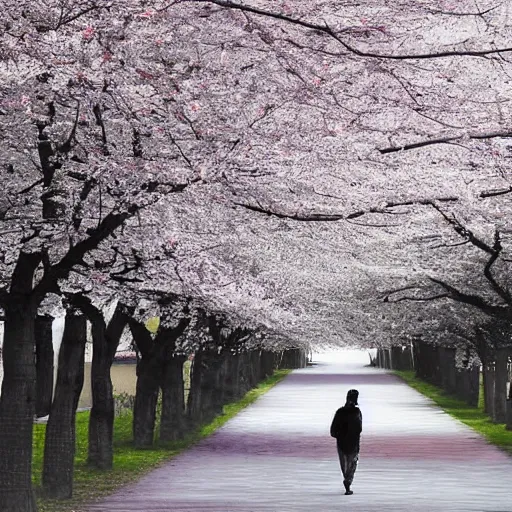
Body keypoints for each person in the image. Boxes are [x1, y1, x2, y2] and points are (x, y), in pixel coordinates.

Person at [330, 389, 362, 495]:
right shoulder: (357, 412)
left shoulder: (339, 412)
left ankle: (347, 480)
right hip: (354, 442)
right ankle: (348, 480)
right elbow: (359, 428)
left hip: (341, 443)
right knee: (352, 463)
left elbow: (333, 431)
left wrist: (339, 435)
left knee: (344, 464)